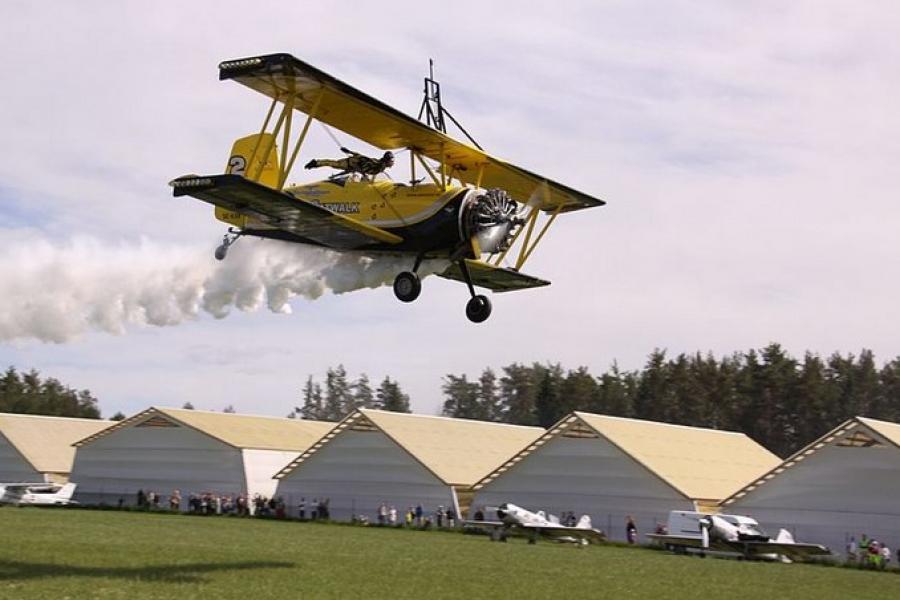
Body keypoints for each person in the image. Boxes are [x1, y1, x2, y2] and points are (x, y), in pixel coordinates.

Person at [305, 148, 394, 178]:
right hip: (351, 163)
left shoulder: (380, 167)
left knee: (334, 166)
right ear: (387, 160)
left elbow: (362, 169)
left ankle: (316, 164)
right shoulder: (377, 163)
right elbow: (362, 157)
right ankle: (315, 163)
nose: (392, 163)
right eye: (391, 161)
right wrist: (349, 152)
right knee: (332, 163)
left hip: (353, 167)